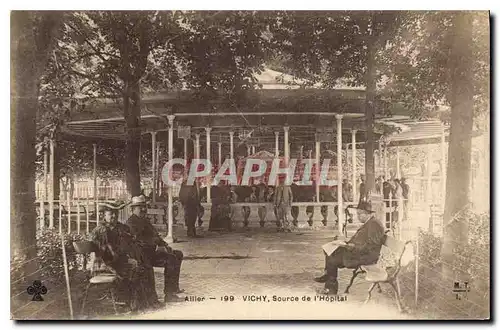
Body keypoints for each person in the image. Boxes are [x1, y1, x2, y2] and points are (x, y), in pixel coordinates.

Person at [90, 204, 160, 311]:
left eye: (115, 213)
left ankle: (147, 302)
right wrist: (126, 259)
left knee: (145, 267)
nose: (113, 216)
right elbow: (105, 253)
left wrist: (131, 257)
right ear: (104, 215)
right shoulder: (100, 230)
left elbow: (130, 244)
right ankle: (130, 303)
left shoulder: (122, 228)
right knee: (135, 269)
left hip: (119, 261)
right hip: (105, 264)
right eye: (110, 214)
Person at [314, 201, 385, 295]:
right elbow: (362, 241)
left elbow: (371, 246)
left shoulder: (374, 224)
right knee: (330, 250)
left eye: (360, 214)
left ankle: (330, 286)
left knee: (332, 257)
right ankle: (328, 278)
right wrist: (345, 242)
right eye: (357, 214)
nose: (358, 216)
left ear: (368, 214)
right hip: (358, 253)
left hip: (365, 257)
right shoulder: (370, 222)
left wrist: (351, 247)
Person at [126, 195, 185, 303]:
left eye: (144, 206)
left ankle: (173, 289)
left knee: (177, 254)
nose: (144, 209)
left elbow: (156, 236)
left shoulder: (145, 220)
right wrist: (158, 246)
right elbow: (139, 241)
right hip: (142, 255)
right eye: (140, 207)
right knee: (170, 259)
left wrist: (165, 246)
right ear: (133, 209)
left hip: (150, 252)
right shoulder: (131, 223)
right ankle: (169, 294)